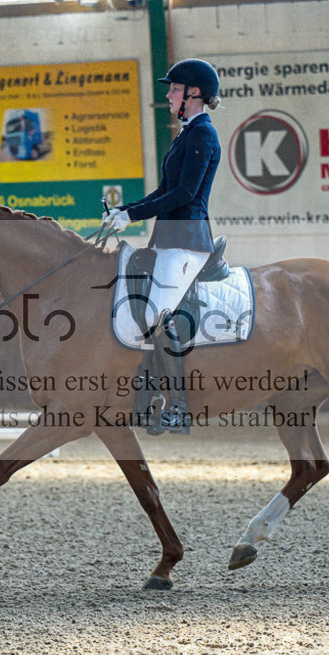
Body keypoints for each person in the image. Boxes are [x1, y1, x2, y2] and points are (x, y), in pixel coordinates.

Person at [104, 58, 222, 434]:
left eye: (174, 89)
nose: (169, 95)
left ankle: (178, 406)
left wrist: (133, 217)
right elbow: (162, 192)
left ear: (194, 93)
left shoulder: (203, 134)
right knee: (134, 302)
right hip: (169, 238)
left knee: (158, 314)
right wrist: (125, 211)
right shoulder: (185, 135)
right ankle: (147, 393)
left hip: (188, 241)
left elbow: (185, 194)